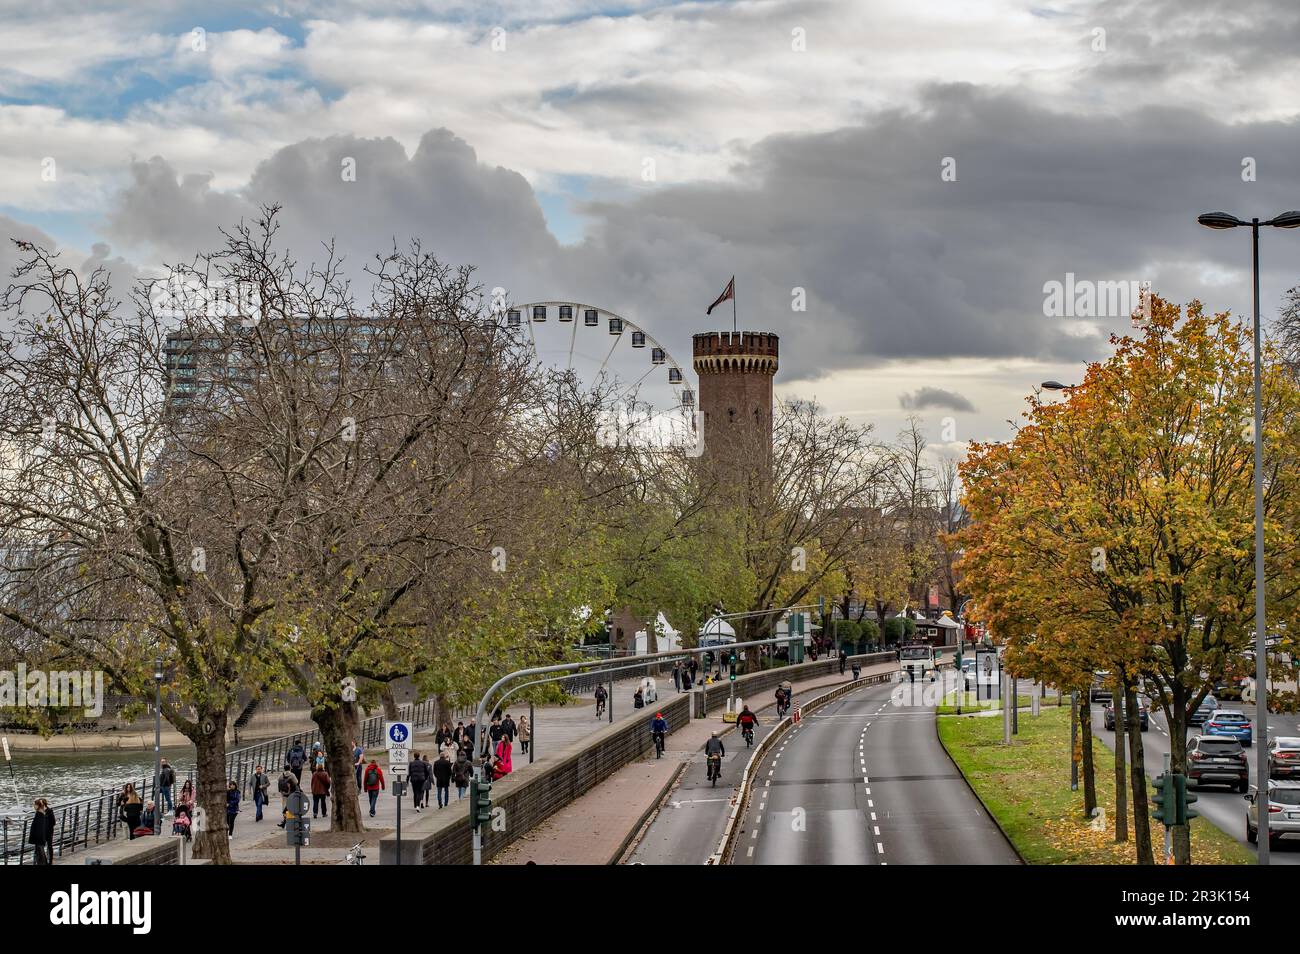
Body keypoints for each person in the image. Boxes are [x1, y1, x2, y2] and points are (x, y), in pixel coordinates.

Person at [29, 798, 54, 865]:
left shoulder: (47, 811)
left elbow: (53, 822)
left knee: (47, 847)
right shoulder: (39, 813)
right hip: (41, 833)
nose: (34, 806)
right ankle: (41, 862)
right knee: (40, 849)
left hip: (47, 832)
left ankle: (49, 862)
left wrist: (47, 828)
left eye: (35, 804)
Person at [276, 763, 299, 827]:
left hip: (284, 793)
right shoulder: (292, 775)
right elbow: (296, 782)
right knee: (291, 806)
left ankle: (285, 819)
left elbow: (278, 781)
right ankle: (291, 819)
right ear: (290, 768)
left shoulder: (281, 775)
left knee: (285, 805)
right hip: (291, 792)